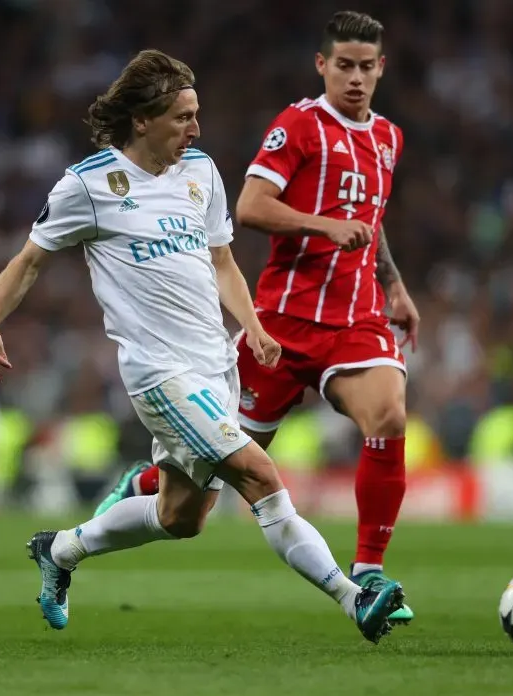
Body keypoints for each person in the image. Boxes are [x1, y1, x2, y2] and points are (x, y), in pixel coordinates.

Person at [0, 49, 405, 643]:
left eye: (196, 115)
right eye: (182, 117)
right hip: (161, 374)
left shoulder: (200, 170)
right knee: (259, 474)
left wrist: (251, 326)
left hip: (216, 364)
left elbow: (223, 261)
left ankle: (61, 549)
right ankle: (354, 598)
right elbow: (28, 264)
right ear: (142, 121)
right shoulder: (89, 186)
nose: (195, 129)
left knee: (181, 517)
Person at [95, 11, 418, 624]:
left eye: (365, 67)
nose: (354, 78)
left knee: (390, 412)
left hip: (354, 318)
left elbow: (370, 223)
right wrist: (325, 226)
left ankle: (369, 572)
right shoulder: (297, 125)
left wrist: (394, 285)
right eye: (343, 65)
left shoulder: (388, 138)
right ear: (323, 65)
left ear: (382, 69)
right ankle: (148, 482)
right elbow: (251, 206)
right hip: (280, 322)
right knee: (203, 494)